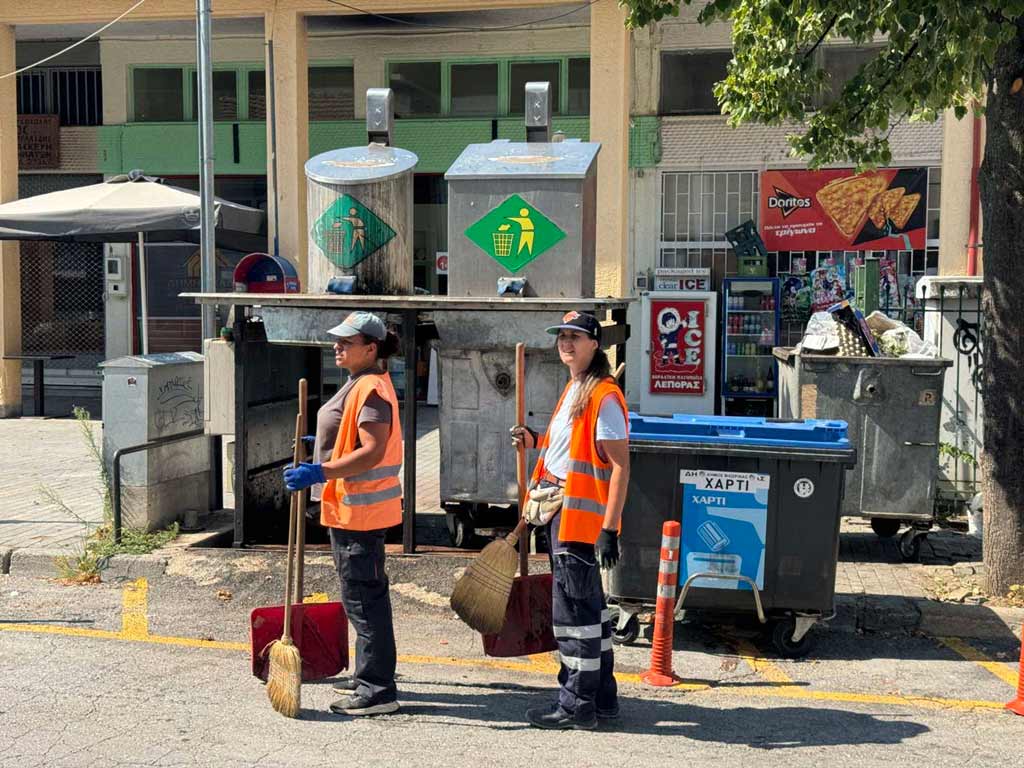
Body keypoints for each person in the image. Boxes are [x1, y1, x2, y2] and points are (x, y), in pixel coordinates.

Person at [510, 310, 630, 730]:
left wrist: (609, 529)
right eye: (562, 336)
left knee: (574, 617)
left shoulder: (603, 396)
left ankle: (575, 703)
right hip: (563, 512)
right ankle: (602, 698)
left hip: (579, 521)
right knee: (592, 613)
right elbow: (571, 448)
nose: (566, 343)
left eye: (575, 337)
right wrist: (536, 441)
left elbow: (620, 466)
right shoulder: (578, 389)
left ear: (595, 344)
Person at [283, 311, 403, 717]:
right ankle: (372, 674)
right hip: (351, 510)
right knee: (363, 599)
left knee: (365, 601)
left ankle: (378, 689)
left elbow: (371, 451)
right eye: (337, 340)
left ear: (371, 348)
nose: (337, 346)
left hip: (360, 512)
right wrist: (325, 444)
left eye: (347, 342)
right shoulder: (359, 383)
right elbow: (354, 436)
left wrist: (321, 469)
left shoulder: (370, 388)